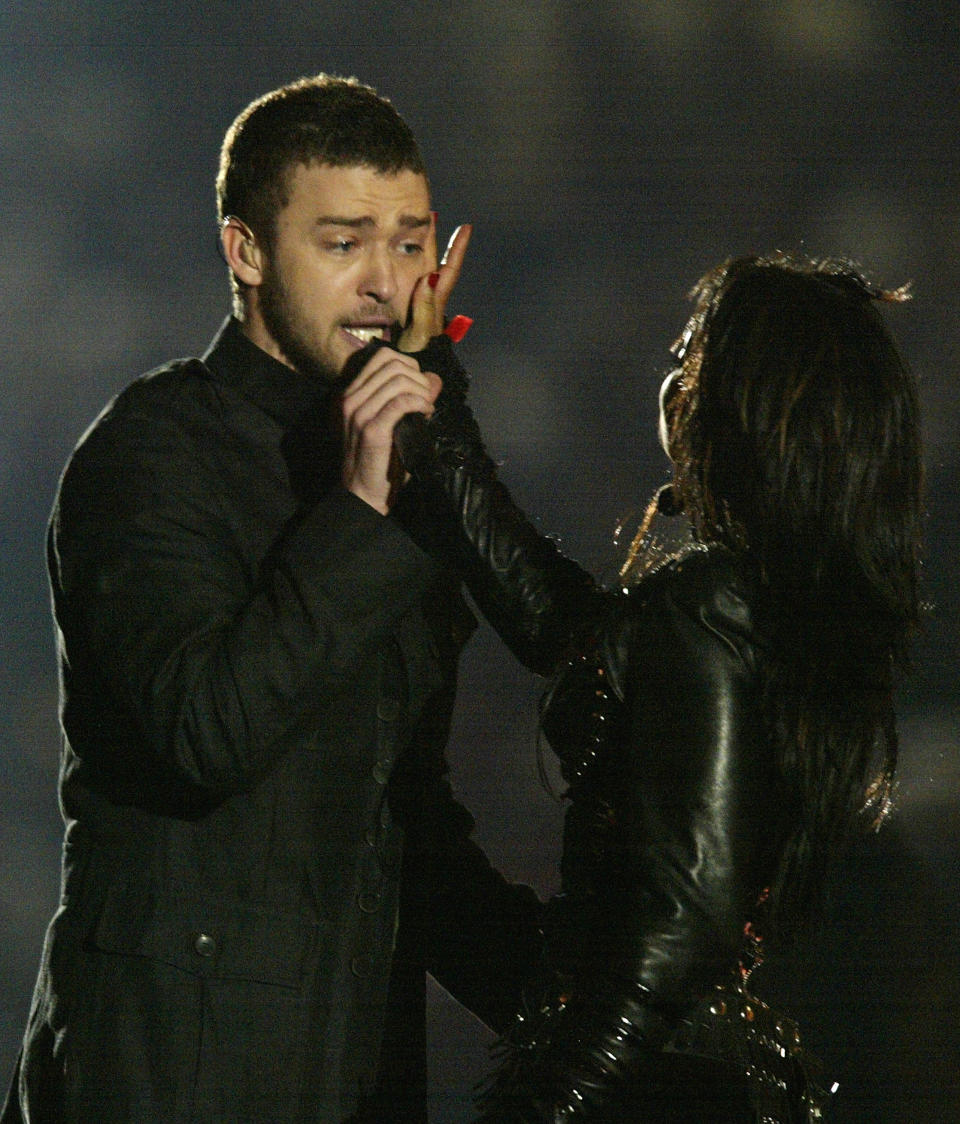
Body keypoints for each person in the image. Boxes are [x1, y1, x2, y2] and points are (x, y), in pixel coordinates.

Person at [1, 73, 594, 1124]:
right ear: (246, 250)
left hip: (351, 1071)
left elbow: (406, 824)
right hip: (166, 1078)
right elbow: (205, 728)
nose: (384, 281)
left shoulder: (412, 470)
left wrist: (601, 1002)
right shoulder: (149, 452)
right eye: (343, 242)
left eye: (410, 242)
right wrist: (364, 505)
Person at [407, 252, 924, 1121]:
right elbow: (550, 614)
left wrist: (545, 1106)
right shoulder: (761, 610)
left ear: (744, 404)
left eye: (692, 355)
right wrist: (430, 380)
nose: (671, 378)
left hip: (651, 1089)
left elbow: (684, 918)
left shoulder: (716, 610)